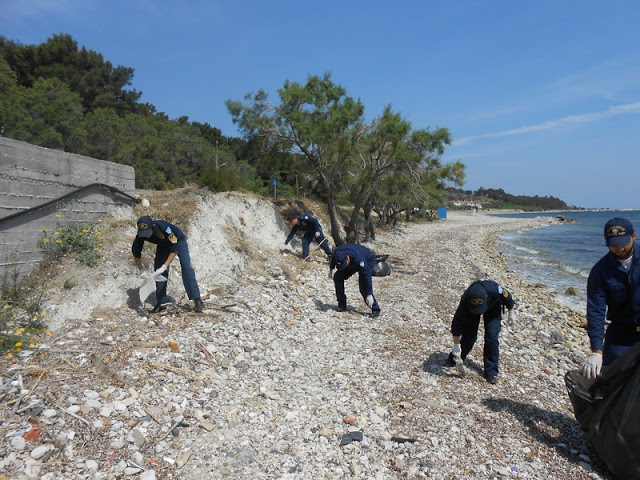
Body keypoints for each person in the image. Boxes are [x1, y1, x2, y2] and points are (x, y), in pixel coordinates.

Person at [582, 217, 640, 379]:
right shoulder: (600, 271)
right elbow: (596, 311)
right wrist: (596, 351)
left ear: (633, 237)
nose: (619, 248)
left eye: (623, 243)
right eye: (614, 244)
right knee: (612, 380)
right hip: (621, 334)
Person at [445, 280, 516, 384]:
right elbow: (457, 324)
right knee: (469, 338)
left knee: (492, 338)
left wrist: (511, 312)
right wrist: (456, 345)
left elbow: (508, 298)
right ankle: (455, 358)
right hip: (471, 310)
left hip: (493, 307)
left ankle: (491, 372)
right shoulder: (466, 300)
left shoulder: (495, 290)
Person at [132, 216, 205, 313]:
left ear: (153, 227)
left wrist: (164, 266)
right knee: (158, 273)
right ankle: (161, 303)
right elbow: (136, 252)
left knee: (186, 268)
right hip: (163, 245)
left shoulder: (164, 228)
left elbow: (174, 249)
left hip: (178, 241)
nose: (146, 236)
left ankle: (197, 300)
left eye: (148, 232)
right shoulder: (141, 234)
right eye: (143, 234)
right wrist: (141, 270)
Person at [329, 243, 381, 318]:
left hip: (368, 259)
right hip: (352, 261)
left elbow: (367, 277)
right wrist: (331, 270)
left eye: (344, 264)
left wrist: (369, 293)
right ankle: (342, 304)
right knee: (337, 277)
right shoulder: (338, 253)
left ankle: (375, 308)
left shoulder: (360, 260)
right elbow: (333, 260)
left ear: (347, 258)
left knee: (363, 287)